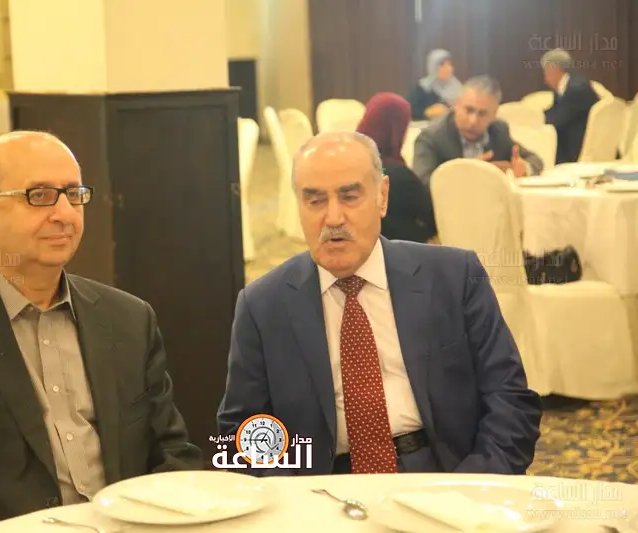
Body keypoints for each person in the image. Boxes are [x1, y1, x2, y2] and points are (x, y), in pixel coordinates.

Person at [0, 131, 202, 533]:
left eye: (73, 194)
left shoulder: (128, 319)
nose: (64, 213)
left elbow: (173, 453)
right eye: (39, 195)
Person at [216, 131, 542, 476]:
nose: (333, 218)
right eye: (315, 201)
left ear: (382, 196)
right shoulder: (263, 305)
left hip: (443, 471)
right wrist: (294, 497)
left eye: (349, 197)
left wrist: (469, 488)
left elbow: (510, 400)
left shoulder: (453, 277)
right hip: (322, 483)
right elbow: (241, 435)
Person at [412, 75, 544, 187]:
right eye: (468, 110)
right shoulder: (432, 137)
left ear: (494, 115)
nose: (473, 121)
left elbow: (535, 160)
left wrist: (525, 168)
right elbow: (422, 185)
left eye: (482, 114)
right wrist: (469, 173)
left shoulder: (498, 131)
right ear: (457, 105)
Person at [356, 92, 437, 244]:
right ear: (396, 130)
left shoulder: (348, 166)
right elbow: (434, 220)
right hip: (400, 253)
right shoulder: (400, 177)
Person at [541, 48, 600, 164]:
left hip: (577, 147)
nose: (545, 78)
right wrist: (537, 116)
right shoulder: (568, 84)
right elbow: (556, 110)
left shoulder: (577, 88)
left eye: (546, 72)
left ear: (554, 69)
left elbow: (559, 119)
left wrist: (537, 123)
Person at [406, 49, 463, 121]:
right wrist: (427, 112)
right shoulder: (423, 88)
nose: (448, 68)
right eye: (442, 65)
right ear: (432, 67)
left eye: (450, 64)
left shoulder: (456, 87)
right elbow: (408, 110)